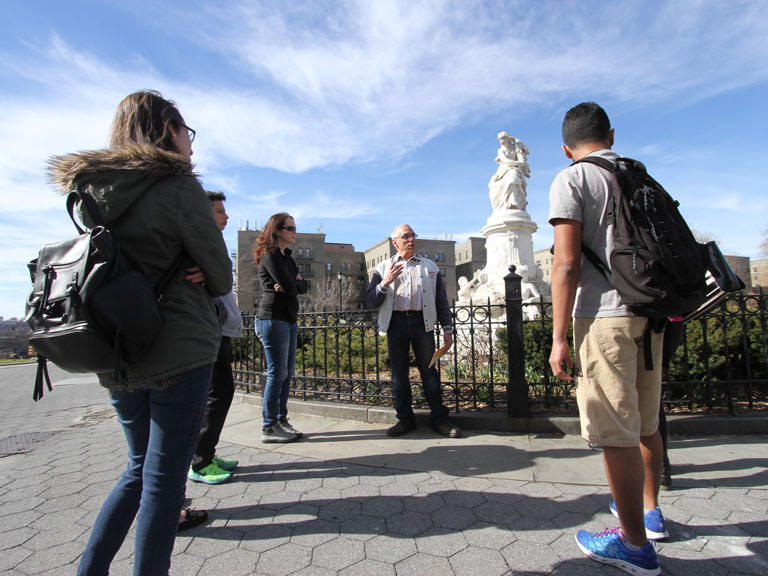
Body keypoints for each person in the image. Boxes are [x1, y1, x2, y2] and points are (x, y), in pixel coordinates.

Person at [48, 91, 232, 575]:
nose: (190, 145)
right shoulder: (176, 185)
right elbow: (221, 275)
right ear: (165, 131)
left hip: (115, 348)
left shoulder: (91, 190)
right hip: (177, 346)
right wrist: (198, 267)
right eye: (185, 133)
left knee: (137, 470)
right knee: (163, 482)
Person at [548, 102, 665, 575]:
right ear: (611, 135)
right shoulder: (638, 174)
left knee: (615, 430)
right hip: (650, 312)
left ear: (565, 147)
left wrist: (558, 337)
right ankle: (650, 513)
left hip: (605, 317)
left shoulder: (572, 179)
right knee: (645, 422)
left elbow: (566, 263)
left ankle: (634, 546)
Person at [365, 224, 461, 438]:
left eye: (413, 236)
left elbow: (441, 301)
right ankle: (405, 420)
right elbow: (371, 300)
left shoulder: (429, 267)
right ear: (395, 242)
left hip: (422, 323)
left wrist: (447, 329)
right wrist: (386, 282)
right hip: (395, 324)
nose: (411, 240)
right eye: (406, 236)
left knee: (429, 372)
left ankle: (440, 420)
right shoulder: (383, 267)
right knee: (399, 375)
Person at [187, 192, 243, 485]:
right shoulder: (199, 241)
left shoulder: (213, 241)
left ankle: (206, 454)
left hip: (220, 328)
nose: (226, 215)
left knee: (221, 392)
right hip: (210, 329)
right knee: (218, 393)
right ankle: (200, 461)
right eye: (220, 211)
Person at [253, 213, 308, 443]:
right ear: (277, 231)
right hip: (272, 319)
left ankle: (281, 419)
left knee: (287, 373)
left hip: (289, 319)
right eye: (290, 228)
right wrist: (290, 284)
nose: (294, 231)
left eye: (295, 227)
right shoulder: (270, 256)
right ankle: (269, 425)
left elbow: (302, 286)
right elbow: (289, 284)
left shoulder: (288, 258)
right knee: (277, 373)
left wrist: (291, 284)